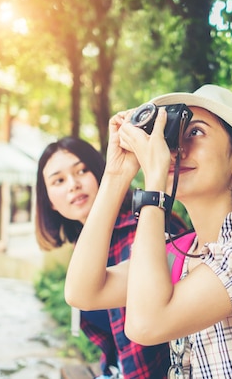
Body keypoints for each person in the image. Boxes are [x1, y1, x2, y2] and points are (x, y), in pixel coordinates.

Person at [64, 84, 232, 378]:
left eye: (196, 132)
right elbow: (82, 291)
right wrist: (116, 174)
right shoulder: (180, 255)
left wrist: (154, 184)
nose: (177, 149)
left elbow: (146, 324)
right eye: (173, 137)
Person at [35, 136, 187, 379]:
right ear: (49, 202)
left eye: (82, 170)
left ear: (99, 173)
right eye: (59, 181)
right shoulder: (84, 247)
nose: (73, 184)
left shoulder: (146, 229)